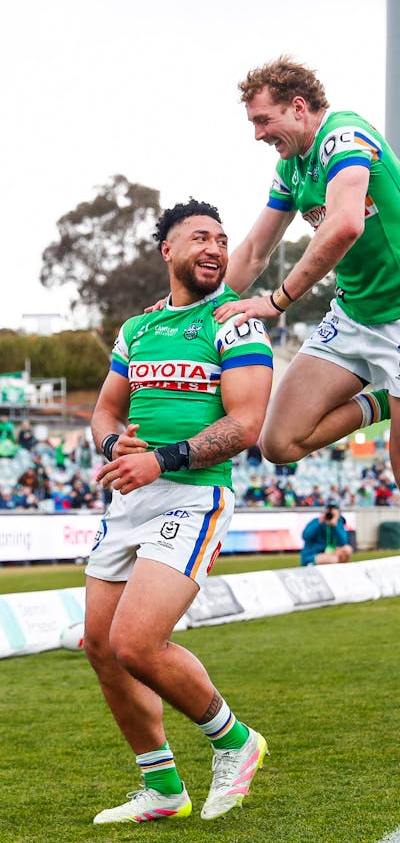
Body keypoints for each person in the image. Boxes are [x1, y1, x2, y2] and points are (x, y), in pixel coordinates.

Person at [84, 199, 274, 826]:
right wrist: (115, 445)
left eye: (221, 238)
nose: (215, 247)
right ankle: (163, 787)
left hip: (193, 497)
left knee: (137, 643)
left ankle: (235, 741)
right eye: (199, 238)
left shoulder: (235, 322)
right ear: (168, 250)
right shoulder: (137, 330)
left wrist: (160, 460)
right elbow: (105, 411)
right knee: (100, 647)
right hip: (129, 498)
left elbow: (246, 424)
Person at [211, 55, 400, 490]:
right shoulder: (291, 167)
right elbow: (256, 250)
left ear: (298, 107)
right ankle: (386, 400)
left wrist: (277, 301)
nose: (257, 134)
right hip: (355, 316)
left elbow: (345, 224)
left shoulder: (344, 137)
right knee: (278, 442)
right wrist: (194, 312)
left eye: (263, 120)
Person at [300, 501, 353, 566]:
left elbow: (343, 542)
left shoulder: (338, 524)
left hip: (330, 553)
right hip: (313, 555)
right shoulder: (316, 521)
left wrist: (334, 526)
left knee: (347, 549)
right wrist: (319, 523)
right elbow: (305, 536)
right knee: (334, 559)